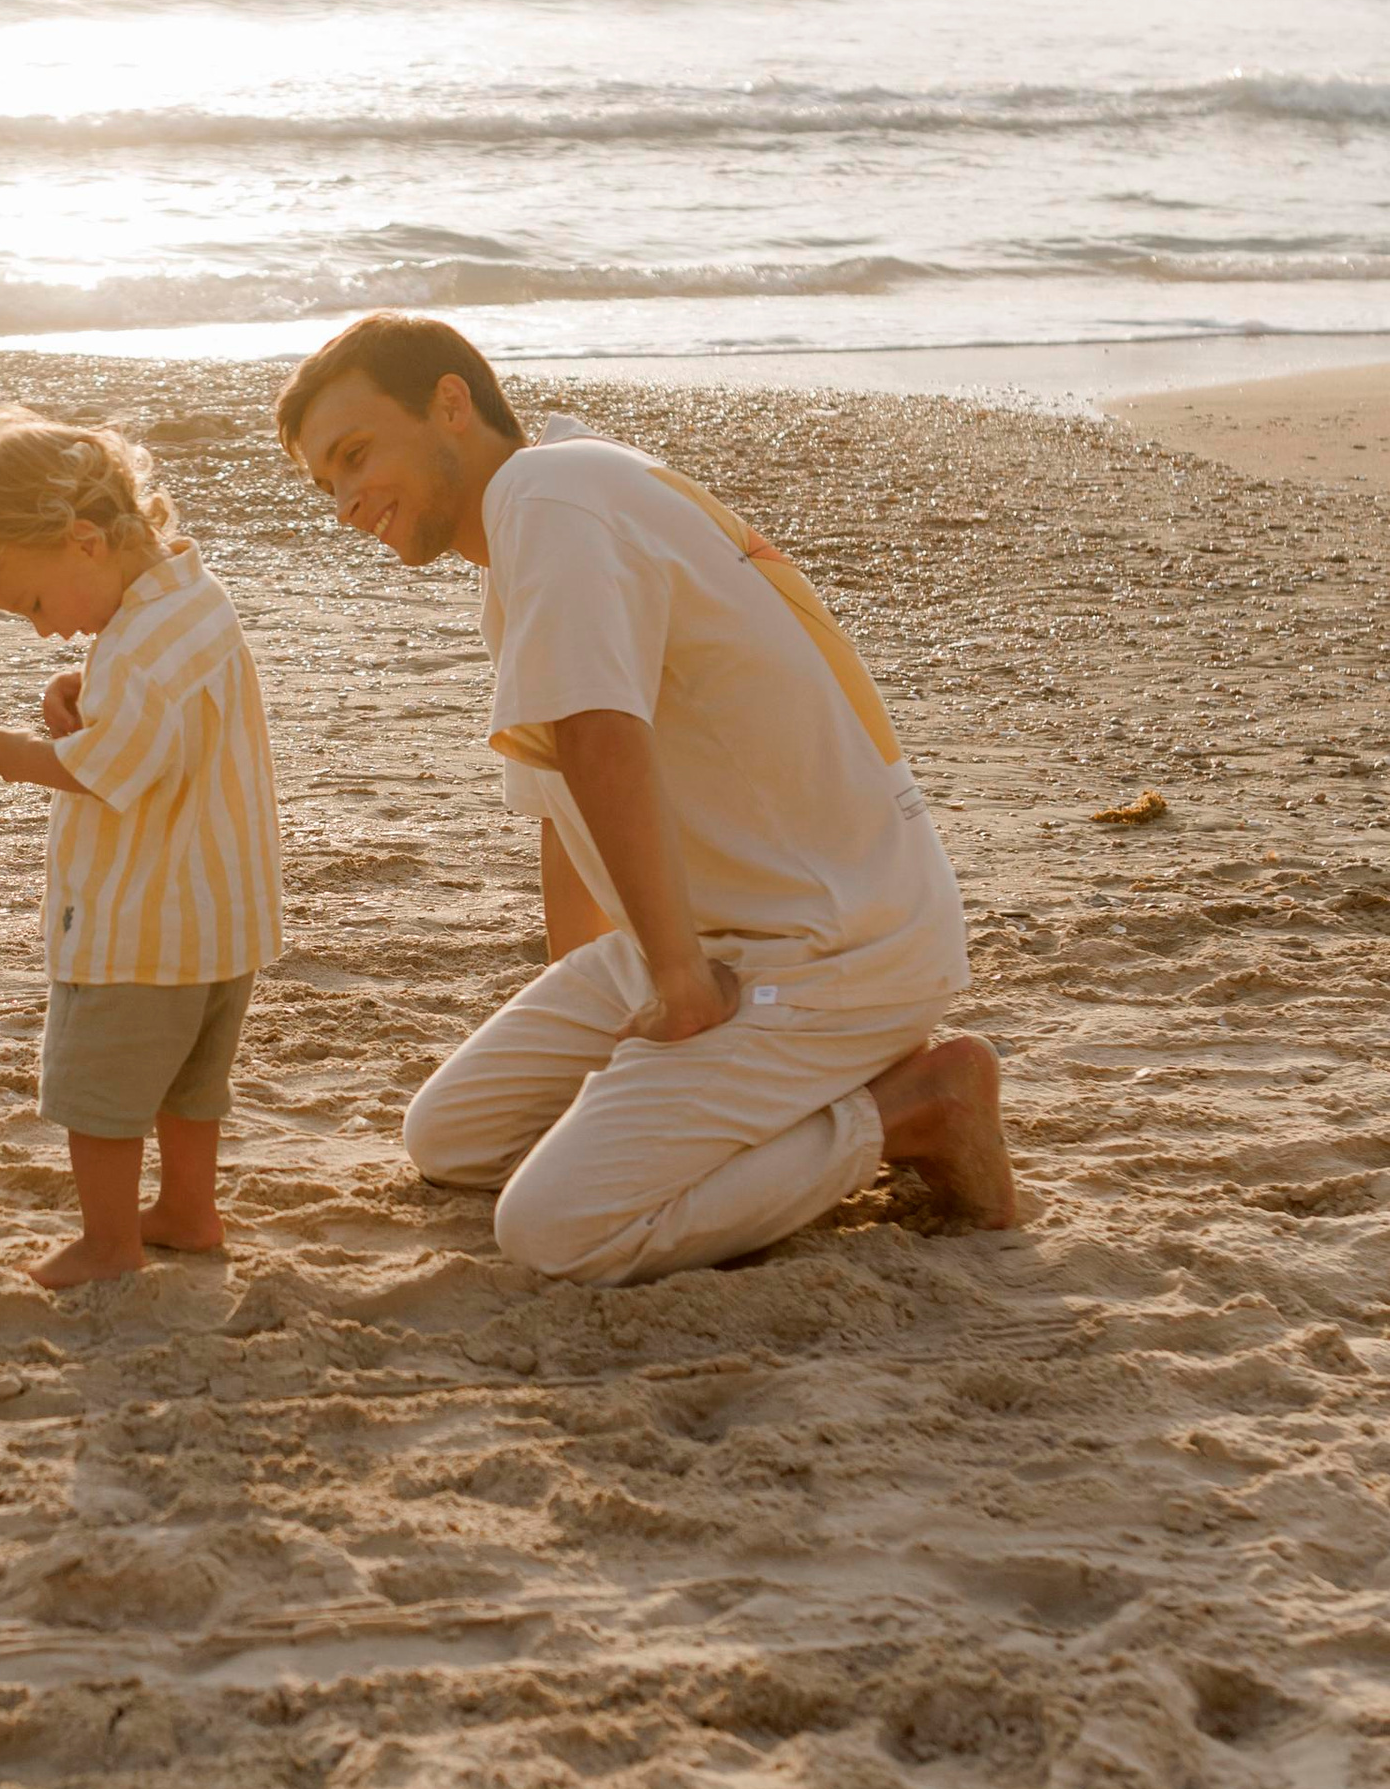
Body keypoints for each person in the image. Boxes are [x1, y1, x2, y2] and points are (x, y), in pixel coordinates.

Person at [275, 313, 1015, 1288]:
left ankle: (915, 1105)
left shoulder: (551, 499)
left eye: (356, 453)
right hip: (716, 925)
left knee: (554, 1230)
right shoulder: (551, 497)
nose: (344, 501)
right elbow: (561, 801)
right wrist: (607, 1009)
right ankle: (791, 1087)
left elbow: (600, 741)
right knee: (452, 1138)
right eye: (326, 480)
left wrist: (679, 989)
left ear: (450, 402)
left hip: (832, 942)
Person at [0, 410, 282, 1288]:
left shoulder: (135, 650)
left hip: (140, 924)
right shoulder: (192, 596)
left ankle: (109, 1243)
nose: (45, 630)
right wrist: (87, 692)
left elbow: (117, 768)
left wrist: (29, 759)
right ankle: (191, 1213)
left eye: (34, 605)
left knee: (101, 1093)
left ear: (84, 542)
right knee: (191, 1087)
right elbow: (166, 727)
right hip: (220, 914)